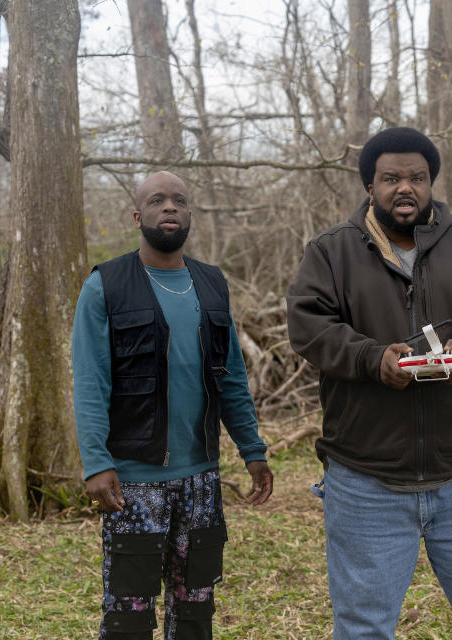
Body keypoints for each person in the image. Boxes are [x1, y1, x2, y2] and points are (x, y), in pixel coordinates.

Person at [286, 127, 452, 639]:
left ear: (431, 184)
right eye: (391, 178)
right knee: (363, 628)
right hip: (365, 477)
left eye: (417, 178)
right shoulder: (332, 253)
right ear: (369, 186)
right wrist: (373, 359)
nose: (406, 188)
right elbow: (309, 327)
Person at [72, 171, 274, 640]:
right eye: (157, 200)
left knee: (195, 611)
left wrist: (253, 449)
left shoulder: (210, 283)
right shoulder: (105, 286)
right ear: (137, 214)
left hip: (201, 479)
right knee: (128, 613)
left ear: (189, 215)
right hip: (134, 481)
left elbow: (232, 378)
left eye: (179, 200)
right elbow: (90, 382)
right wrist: (96, 463)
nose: (170, 207)